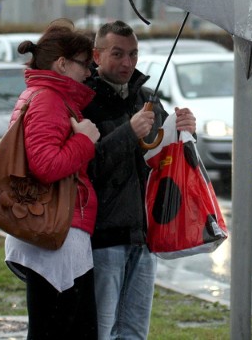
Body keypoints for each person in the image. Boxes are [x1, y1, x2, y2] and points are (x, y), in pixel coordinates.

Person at [83, 20, 196, 339]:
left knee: (135, 331)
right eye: (117, 54)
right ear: (97, 55)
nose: (127, 62)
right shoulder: (85, 101)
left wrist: (186, 132)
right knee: (101, 330)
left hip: (145, 236)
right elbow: (89, 167)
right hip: (103, 238)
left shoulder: (146, 98)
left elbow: (164, 161)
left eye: (133, 54)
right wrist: (128, 132)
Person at [4, 19, 101, 339]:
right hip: (56, 234)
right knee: (62, 330)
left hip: (56, 232)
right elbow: (45, 166)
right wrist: (85, 140)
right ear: (62, 64)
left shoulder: (43, 94)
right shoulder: (48, 99)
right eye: (85, 64)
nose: (89, 72)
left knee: (58, 328)